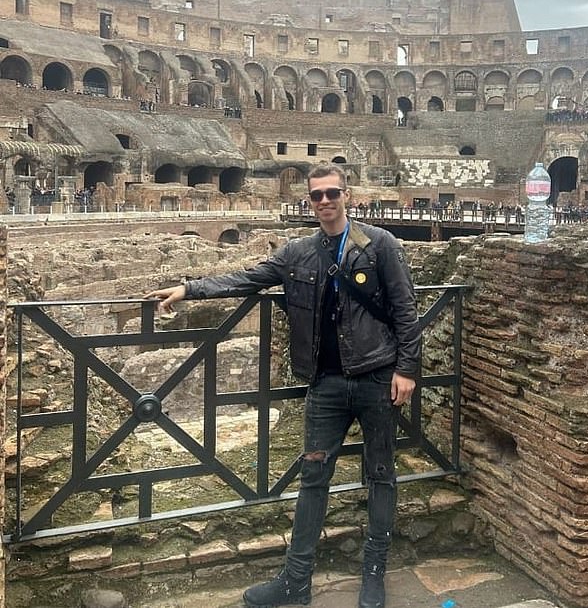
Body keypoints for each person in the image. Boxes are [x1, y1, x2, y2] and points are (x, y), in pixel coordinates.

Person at [144, 163, 421, 608]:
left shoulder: (379, 244)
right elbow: (246, 278)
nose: (325, 202)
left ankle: (374, 575)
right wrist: (189, 289)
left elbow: (406, 310)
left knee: (382, 476)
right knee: (313, 478)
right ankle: (296, 580)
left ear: (347, 195)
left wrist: (407, 369)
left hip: (377, 377)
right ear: (308, 201)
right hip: (326, 384)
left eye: (332, 193)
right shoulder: (297, 253)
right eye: (317, 196)